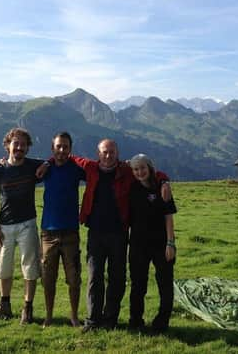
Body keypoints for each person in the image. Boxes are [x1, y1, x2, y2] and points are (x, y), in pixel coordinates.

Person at [65, 139, 172, 332]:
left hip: (119, 234)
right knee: (94, 277)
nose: (108, 155)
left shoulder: (127, 170)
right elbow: (68, 157)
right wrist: (47, 162)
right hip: (95, 233)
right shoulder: (90, 167)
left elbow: (150, 171)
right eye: (105, 152)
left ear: (117, 153)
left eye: (112, 152)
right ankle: (92, 321)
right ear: (98, 154)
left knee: (117, 278)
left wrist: (164, 180)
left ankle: (110, 319)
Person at [0, 127, 43, 324]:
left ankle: (27, 308)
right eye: (15, 143)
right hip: (5, 226)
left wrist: (46, 166)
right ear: (8, 145)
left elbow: (53, 162)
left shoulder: (32, 166)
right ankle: (5, 305)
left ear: (28, 148)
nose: (19, 147)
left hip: (28, 224)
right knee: (4, 267)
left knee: (30, 267)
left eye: (23, 144)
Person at [39, 132, 85, 328]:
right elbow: (18, 164)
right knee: (48, 278)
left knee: (74, 278)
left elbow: (98, 172)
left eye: (65, 147)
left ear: (70, 149)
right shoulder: (44, 168)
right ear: (52, 148)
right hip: (48, 234)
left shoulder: (76, 169)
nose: (62, 150)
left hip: (70, 233)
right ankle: (49, 316)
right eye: (58, 146)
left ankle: (73, 316)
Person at [128, 154, 177, 333]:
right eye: (135, 169)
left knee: (165, 283)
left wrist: (170, 243)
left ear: (149, 168)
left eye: (142, 168)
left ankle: (162, 322)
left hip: (161, 243)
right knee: (138, 283)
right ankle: (135, 320)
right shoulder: (131, 187)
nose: (139, 172)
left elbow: (168, 217)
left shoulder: (162, 188)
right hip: (137, 244)